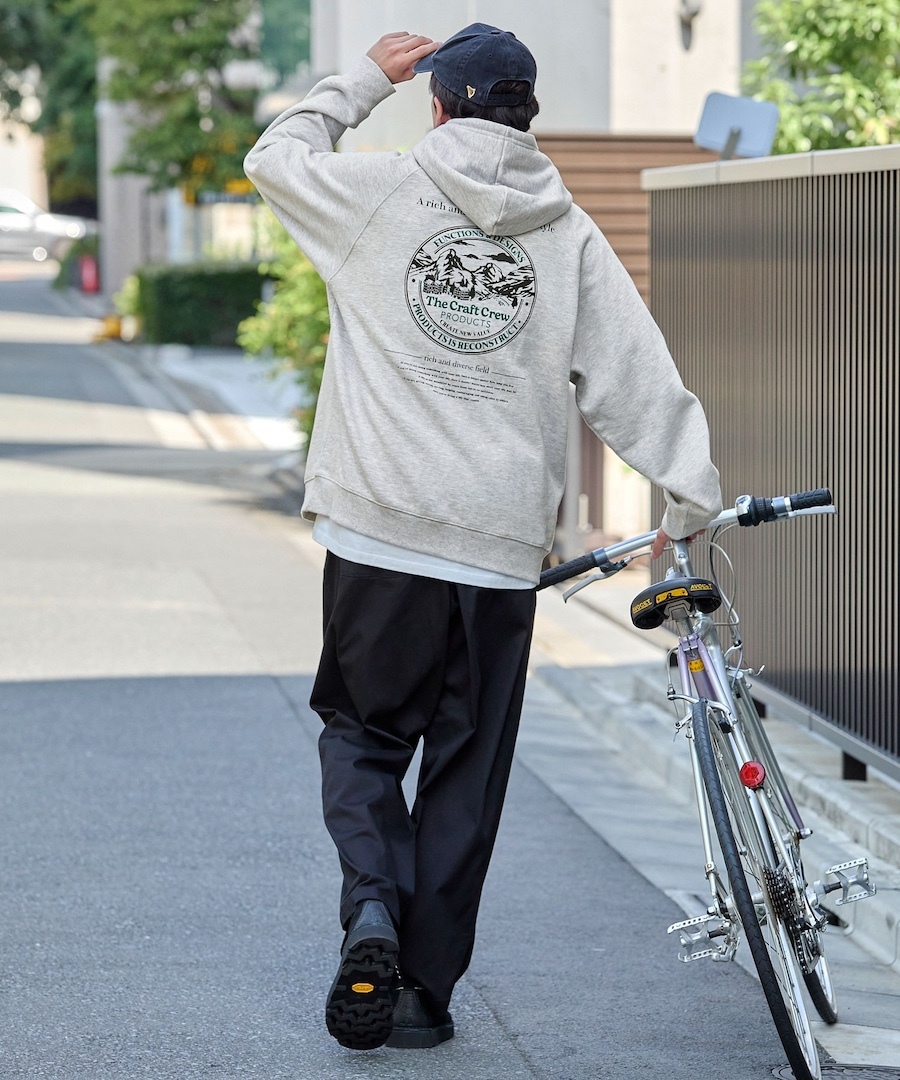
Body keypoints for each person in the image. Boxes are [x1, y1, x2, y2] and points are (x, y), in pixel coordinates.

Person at [243, 23, 722, 1052]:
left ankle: (372, 905)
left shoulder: (374, 194)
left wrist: (363, 80)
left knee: (363, 736)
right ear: (526, 113)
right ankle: (422, 996)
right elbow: (636, 379)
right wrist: (688, 502)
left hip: (381, 535)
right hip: (497, 554)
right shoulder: (568, 231)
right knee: (466, 770)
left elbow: (276, 156)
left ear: (439, 106)